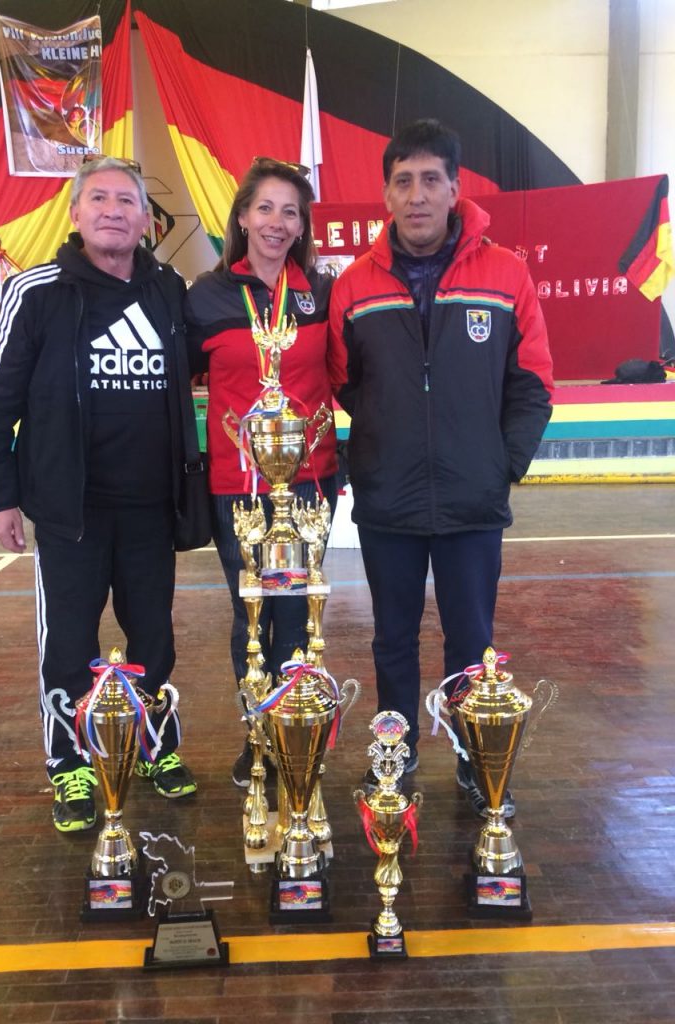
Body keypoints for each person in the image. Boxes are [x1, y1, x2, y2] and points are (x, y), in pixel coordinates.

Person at [0, 156, 198, 833]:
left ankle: (154, 744)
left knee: (154, 638)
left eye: (127, 200)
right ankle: (69, 763)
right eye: (98, 198)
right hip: (71, 512)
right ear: (75, 213)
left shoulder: (168, 289)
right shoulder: (36, 291)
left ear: (146, 219)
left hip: (151, 508)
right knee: (68, 644)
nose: (113, 211)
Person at [329, 119, 553, 814]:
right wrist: (384, 443)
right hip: (389, 500)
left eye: (431, 180)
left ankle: (472, 759)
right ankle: (394, 761)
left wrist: (499, 463)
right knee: (392, 641)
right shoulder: (354, 285)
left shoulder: (506, 273)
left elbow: (533, 383)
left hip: (471, 499)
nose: (417, 195)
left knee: (473, 644)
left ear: (456, 189)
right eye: (403, 181)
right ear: (386, 194)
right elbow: (346, 381)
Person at [185, 157, 346, 787]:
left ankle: (294, 732)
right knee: (252, 613)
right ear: (243, 218)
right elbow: (172, 383)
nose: (277, 222)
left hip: (309, 485)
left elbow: (350, 373)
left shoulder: (322, 293)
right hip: (238, 489)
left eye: (291, 212)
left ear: (302, 225)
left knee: (299, 612)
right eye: (265, 208)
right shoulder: (206, 297)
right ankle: (257, 736)